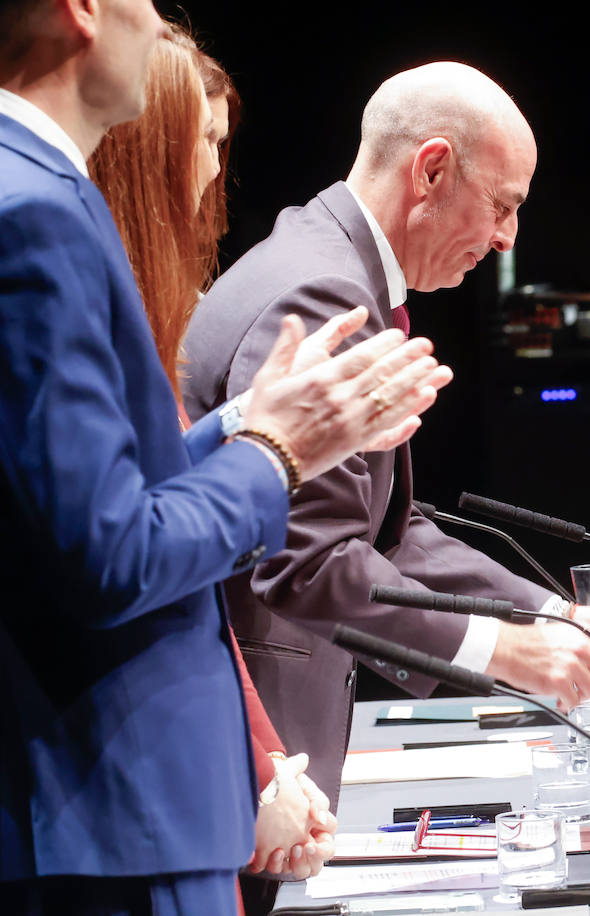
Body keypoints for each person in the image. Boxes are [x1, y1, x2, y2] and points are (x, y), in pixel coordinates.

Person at [181, 62, 590, 906]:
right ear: (432, 170)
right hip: (233, 748)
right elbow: (307, 559)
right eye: (505, 204)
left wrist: (551, 616)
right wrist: (508, 652)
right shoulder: (323, 289)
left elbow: (389, 532)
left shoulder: (327, 263)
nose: (509, 237)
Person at [0, 0, 448, 911]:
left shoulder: (40, 193)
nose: (160, 21)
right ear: (81, 10)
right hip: (119, 812)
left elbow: (92, 495)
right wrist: (276, 450)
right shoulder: (32, 212)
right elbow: (111, 557)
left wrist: (252, 419)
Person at [87, 23, 338, 896]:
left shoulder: (149, 308)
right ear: (148, 148)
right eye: (207, 143)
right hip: (132, 797)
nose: (212, 177)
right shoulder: (77, 283)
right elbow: (132, 565)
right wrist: (274, 443)